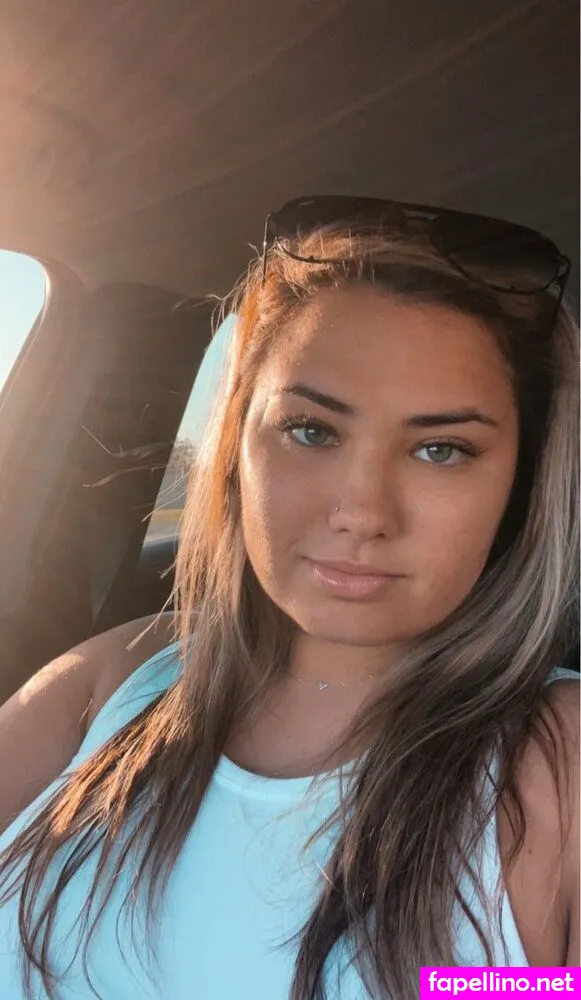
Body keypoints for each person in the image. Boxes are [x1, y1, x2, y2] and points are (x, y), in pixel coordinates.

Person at [0, 196, 578, 1000]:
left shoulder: (557, 759)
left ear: (519, 483)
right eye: (311, 431)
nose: (361, 512)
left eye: (441, 449)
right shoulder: (118, 675)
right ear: (238, 442)